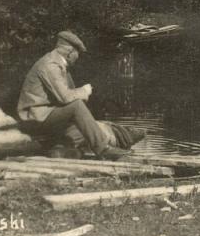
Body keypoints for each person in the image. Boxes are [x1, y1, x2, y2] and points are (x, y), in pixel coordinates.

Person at [17, 31, 143, 160]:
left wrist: (81, 95)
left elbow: (67, 99)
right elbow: (65, 98)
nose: (78, 57)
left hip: (45, 115)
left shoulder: (60, 67)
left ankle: (60, 149)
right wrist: (83, 91)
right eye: (78, 53)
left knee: (82, 129)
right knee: (77, 106)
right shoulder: (50, 65)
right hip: (35, 118)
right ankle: (103, 149)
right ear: (70, 52)